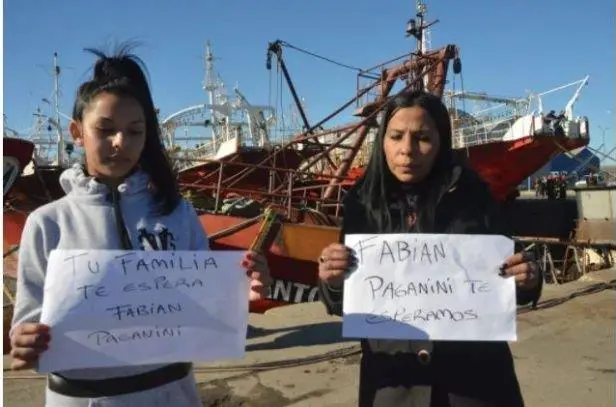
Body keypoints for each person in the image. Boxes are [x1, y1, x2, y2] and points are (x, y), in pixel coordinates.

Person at [9, 45, 272, 407]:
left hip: (172, 395)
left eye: (134, 131)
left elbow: (207, 303)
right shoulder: (47, 223)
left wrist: (243, 291)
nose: (121, 142)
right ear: (76, 132)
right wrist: (25, 341)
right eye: (105, 129)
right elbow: (29, 323)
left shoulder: (177, 213)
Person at [317, 90, 542, 407]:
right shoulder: (362, 203)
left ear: (441, 142)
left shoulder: (475, 195)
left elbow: (511, 274)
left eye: (421, 137)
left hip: (476, 386)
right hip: (394, 387)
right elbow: (344, 302)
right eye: (396, 136)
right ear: (382, 141)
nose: (406, 150)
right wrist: (332, 280)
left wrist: (528, 277)